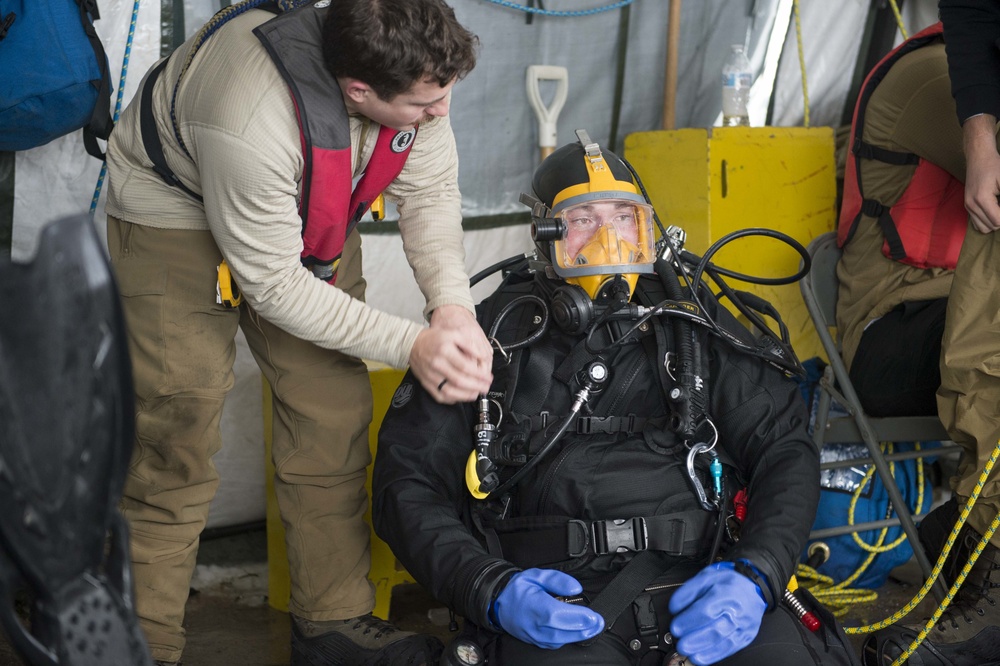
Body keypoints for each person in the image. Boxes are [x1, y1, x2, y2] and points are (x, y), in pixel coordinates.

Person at [372, 131, 860, 666]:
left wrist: (757, 573)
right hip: (555, 594)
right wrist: (489, 587)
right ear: (546, 233)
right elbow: (406, 482)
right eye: (583, 219)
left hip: (703, 582)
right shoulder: (492, 334)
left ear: (647, 227)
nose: (608, 238)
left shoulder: (691, 323)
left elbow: (785, 449)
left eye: (623, 218)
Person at [102, 0, 493, 664]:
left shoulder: (417, 79)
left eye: (445, 96)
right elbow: (276, 286)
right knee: (176, 427)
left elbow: (428, 196)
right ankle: (139, 641)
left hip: (305, 200)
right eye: (426, 106)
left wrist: (451, 310)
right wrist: (410, 344)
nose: (441, 114)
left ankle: (332, 623)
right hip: (177, 207)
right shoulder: (251, 114)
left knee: (330, 414)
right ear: (360, 90)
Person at [854, 6, 1000, 665]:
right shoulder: (928, 77)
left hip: (938, 310)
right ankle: (977, 558)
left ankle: (956, 536)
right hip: (886, 333)